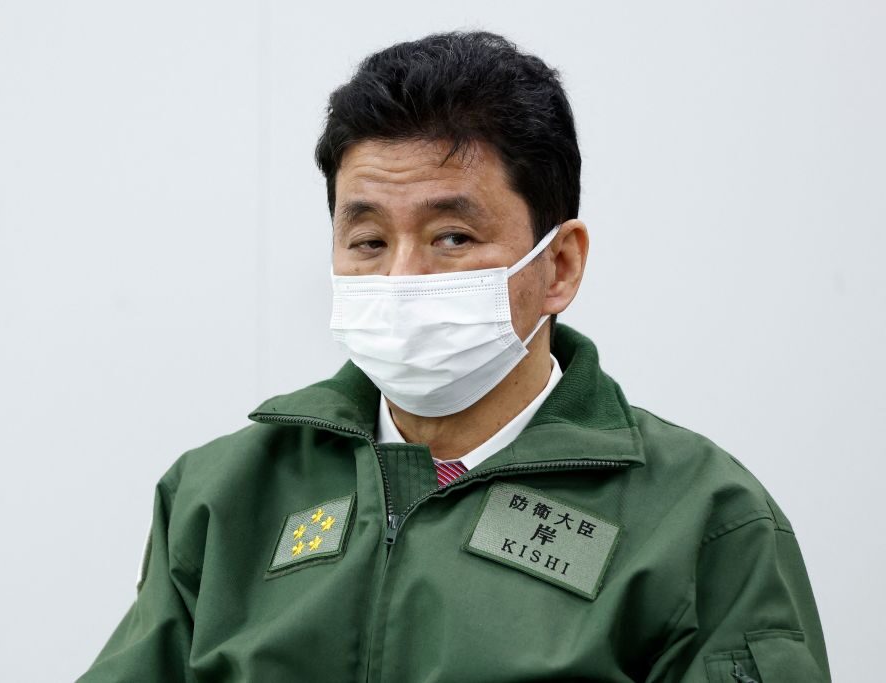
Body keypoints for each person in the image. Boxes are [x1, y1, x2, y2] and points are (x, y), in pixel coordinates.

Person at [77, 30, 830, 682]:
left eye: (452, 238)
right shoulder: (222, 497)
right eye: (369, 241)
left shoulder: (702, 521)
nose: (402, 277)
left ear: (559, 266)